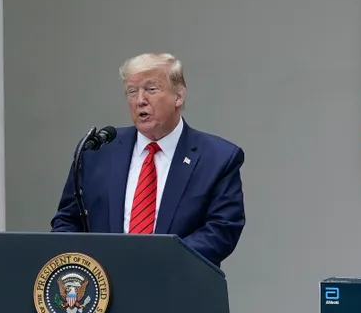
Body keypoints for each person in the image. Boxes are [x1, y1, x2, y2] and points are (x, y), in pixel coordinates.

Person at [50, 53, 246, 266]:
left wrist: (156, 262)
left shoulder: (217, 158)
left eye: (151, 89)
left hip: (176, 284)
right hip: (104, 287)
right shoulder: (96, 152)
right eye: (132, 92)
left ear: (178, 96)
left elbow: (222, 229)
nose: (140, 100)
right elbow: (67, 221)